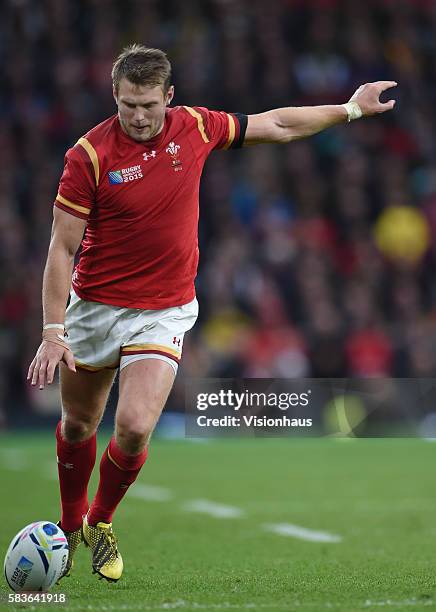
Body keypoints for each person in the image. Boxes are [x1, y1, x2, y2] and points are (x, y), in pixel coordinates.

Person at [27, 43, 397, 583]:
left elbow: (276, 124)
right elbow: (61, 248)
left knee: (131, 428)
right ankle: (68, 525)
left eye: (149, 104)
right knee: (79, 424)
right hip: (94, 308)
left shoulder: (196, 127)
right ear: (115, 97)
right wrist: (53, 330)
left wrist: (351, 109)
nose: (138, 116)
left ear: (168, 97)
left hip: (164, 310)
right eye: (128, 104)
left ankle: (101, 521)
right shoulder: (88, 156)